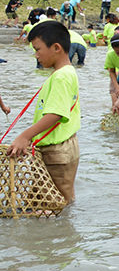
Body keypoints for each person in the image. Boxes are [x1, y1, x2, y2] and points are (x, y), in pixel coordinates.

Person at [5, 22, 81, 204]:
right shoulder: (64, 73)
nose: (36, 55)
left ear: (56, 48)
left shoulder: (61, 77)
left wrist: (24, 136)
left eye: (38, 49)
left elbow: (55, 114)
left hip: (57, 151)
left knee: (49, 204)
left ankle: (59, 232)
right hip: (62, 146)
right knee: (55, 198)